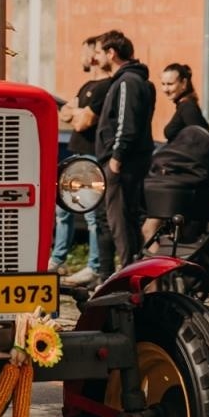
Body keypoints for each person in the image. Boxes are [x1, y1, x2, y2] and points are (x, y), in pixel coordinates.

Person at [52, 35, 115, 287]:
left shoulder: (107, 87)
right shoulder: (87, 85)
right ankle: (57, 259)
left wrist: (77, 114)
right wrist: (77, 113)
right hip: (75, 155)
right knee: (62, 209)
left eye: (84, 52)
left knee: (91, 215)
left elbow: (81, 121)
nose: (82, 57)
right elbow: (68, 112)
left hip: (92, 157)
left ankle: (94, 266)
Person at [94, 29, 156, 272]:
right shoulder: (132, 80)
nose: (95, 58)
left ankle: (129, 276)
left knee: (119, 222)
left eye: (99, 52)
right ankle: (119, 274)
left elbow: (126, 124)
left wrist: (116, 159)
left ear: (112, 53)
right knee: (121, 221)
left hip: (121, 163)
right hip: (128, 162)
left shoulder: (127, 82)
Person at [159, 62, 209, 141]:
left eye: (170, 84)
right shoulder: (184, 105)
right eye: (163, 84)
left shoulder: (188, 107)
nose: (165, 89)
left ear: (184, 83)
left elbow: (200, 140)